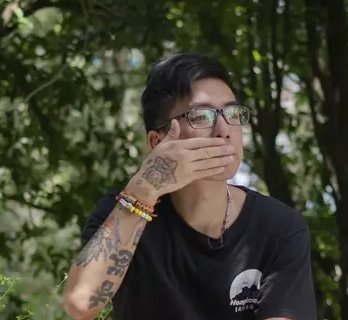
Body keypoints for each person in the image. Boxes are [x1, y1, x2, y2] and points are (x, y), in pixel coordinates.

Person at [62, 53, 317, 320]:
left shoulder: (279, 228)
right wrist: (145, 188)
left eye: (232, 113)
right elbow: (81, 304)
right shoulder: (122, 214)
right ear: (157, 141)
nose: (224, 129)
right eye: (202, 116)